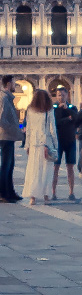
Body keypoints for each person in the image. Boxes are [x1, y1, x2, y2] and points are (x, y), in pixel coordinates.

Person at [24, 90, 58, 205]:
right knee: (46, 170)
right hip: (46, 144)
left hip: (34, 143)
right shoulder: (49, 110)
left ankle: (32, 196)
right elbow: (53, 129)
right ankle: (46, 195)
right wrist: (56, 145)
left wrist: (27, 145)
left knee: (33, 170)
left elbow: (28, 129)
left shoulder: (30, 110)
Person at [52, 87, 77, 202]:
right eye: (59, 95)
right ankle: (53, 192)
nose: (61, 97)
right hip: (58, 141)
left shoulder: (72, 107)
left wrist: (68, 111)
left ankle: (71, 192)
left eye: (63, 95)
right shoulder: (54, 108)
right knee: (55, 167)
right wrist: (68, 118)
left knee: (70, 167)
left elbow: (76, 119)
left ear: (67, 95)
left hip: (70, 140)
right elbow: (55, 123)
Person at [0, 75, 19, 203]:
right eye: (13, 83)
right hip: (5, 135)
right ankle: (3, 193)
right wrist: (12, 128)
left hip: (9, 136)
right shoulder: (3, 99)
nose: (15, 85)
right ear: (8, 84)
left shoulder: (8, 99)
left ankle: (10, 192)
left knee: (10, 165)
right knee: (6, 165)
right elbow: (1, 119)